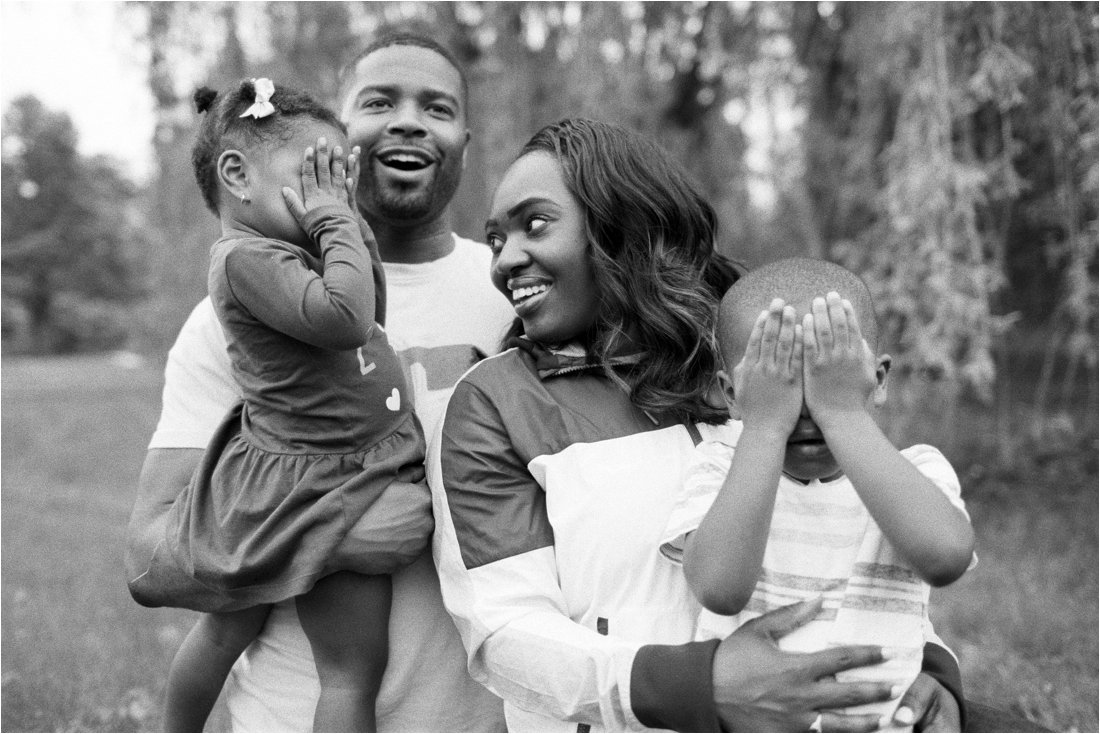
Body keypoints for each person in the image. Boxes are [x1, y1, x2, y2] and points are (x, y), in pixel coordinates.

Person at [429, 118, 967, 732]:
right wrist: (702, 688)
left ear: (621, 223)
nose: (505, 260)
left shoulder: (755, 351)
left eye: (536, 224)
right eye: (495, 239)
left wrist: (926, 666)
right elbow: (505, 633)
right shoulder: (496, 402)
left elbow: (853, 527)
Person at [124, 30, 514, 732]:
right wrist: (330, 536)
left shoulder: (519, 292)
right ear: (343, 131)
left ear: (463, 137)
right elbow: (150, 552)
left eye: (436, 107)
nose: (407, 119)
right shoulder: (234, 317)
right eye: (378, 100)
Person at [661, 258, 976, 732]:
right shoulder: (720, 469)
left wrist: (845, 416)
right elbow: (720, 590)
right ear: (733, 394)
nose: (808, 408)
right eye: (779, 383)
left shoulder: (917, 470)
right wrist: (765, 425)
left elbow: (946, 557)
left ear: (878, 379)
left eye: (830, 381)